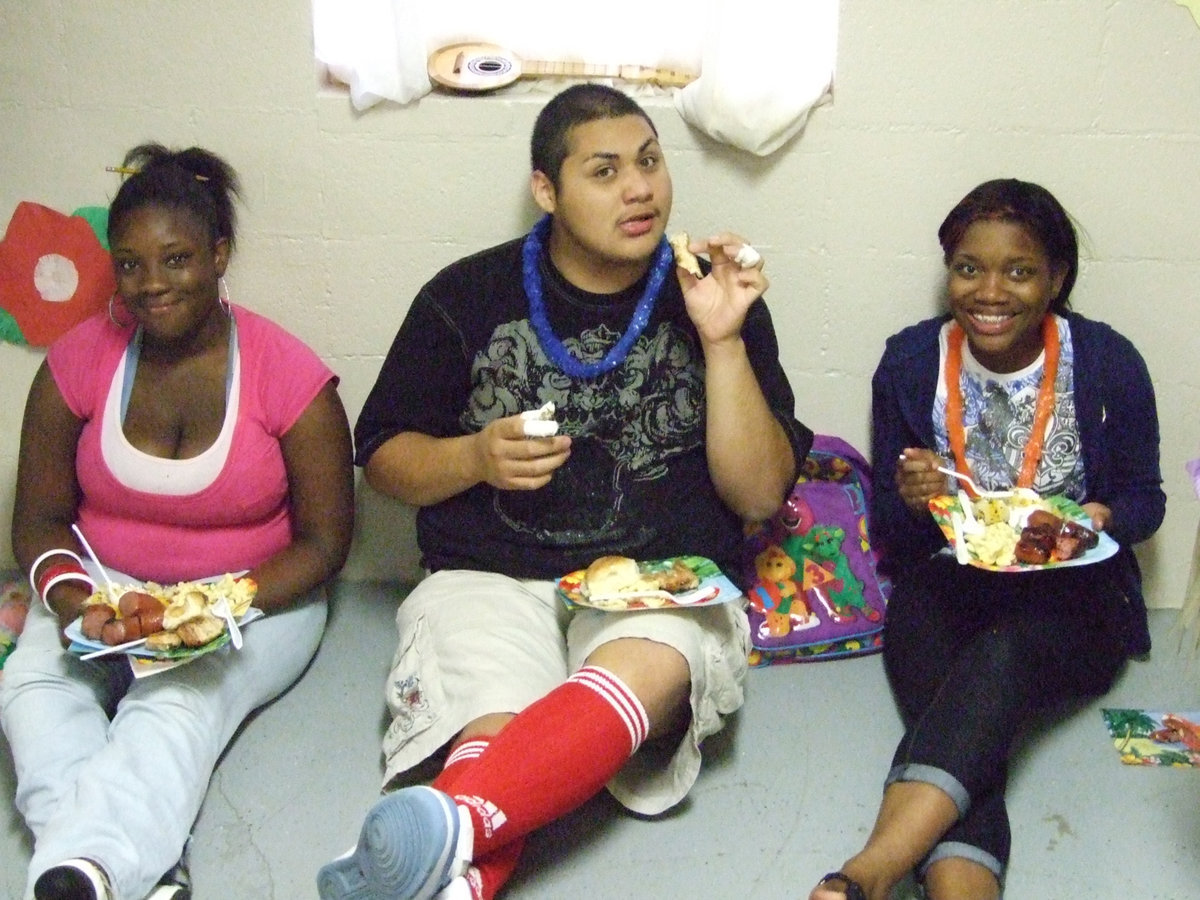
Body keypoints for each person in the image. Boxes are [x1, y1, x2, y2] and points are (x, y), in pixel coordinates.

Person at [319, 83, 811, 900]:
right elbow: (385, 458)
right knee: (496, 728)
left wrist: (722, 340)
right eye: (606, 170)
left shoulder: (714, 292)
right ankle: (462, 876)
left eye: (650, 162)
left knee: (650, 663)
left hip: (660, 581)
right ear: (547, 191)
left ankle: (451, 834)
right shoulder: (466, 295)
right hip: (490, 576)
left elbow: (759, 495)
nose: (640, 188)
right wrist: (473, 458)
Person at [2, 144, 355, 900]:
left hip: (253, 602)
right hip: (101, 588)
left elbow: (326, 543)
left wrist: (200, 612)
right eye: (129, 264)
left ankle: (88, 872)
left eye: (176, 259)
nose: (151, 285)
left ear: (219, 254)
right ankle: (130, 873)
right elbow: (36, 522)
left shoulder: (288, 374)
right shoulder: (75, 362)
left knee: (170, 705)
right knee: (34, 686)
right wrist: (79, 604)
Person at [810, 179, 1165, 900]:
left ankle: (865, 873)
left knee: (993, 668)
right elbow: (897, 535)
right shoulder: (911, 362)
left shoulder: (1107, 362)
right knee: (976, 731)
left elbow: (1145, 499)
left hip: (1075, 593)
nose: (990, 291)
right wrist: (916, 503)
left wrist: (1098, 519)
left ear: (1056, 279)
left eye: (1020, 270)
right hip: (948, 587)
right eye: (969, 268)